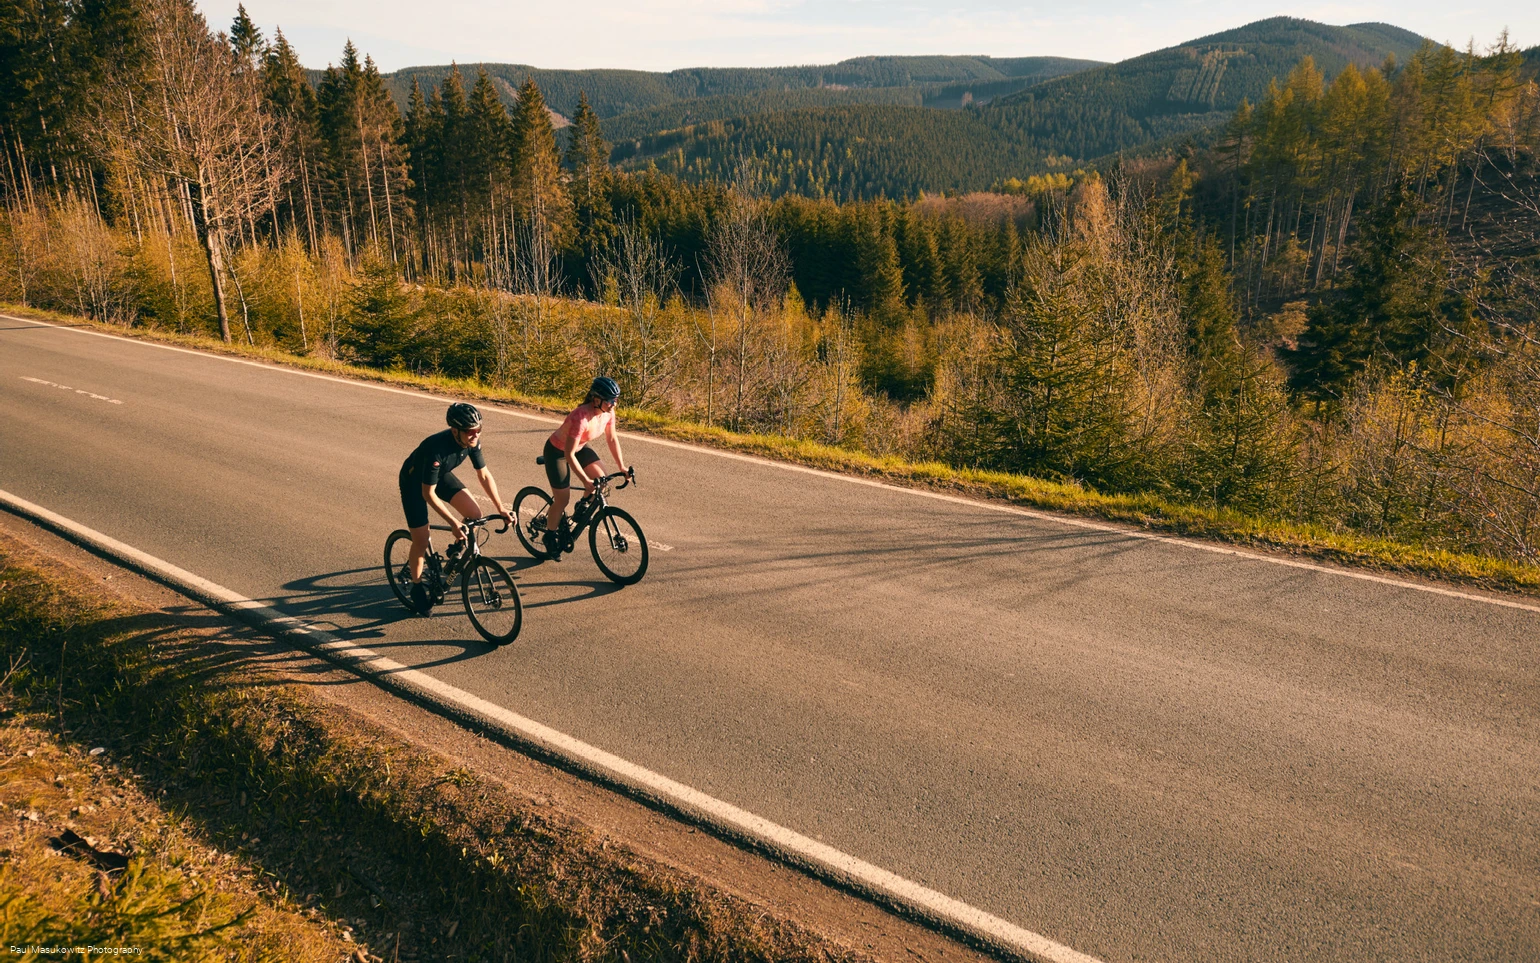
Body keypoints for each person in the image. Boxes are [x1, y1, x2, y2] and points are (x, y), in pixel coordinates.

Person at [398, 402, 510, 613]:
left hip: (439, 477)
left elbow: (484, 474)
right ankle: (416, 586)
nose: (475, 435)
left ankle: (457, 550)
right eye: (469, 431)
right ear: (455, 430)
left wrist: (501, 508)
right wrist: (453, 523)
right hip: (415, 484)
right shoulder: (436, 450)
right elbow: (428, 494)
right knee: (421, 540)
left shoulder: (472, 441)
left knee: (474, 514)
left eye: (478, 430)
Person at [542, 376, 630, 560]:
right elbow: (568, 454)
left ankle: (582, 505)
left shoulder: (608, 413)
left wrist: (621, 466)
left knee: (602, 481)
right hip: (558, 452)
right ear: (596, 400)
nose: (613, 405)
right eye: (610, 401)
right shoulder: (580, 417)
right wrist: (585, 481)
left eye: (616, 400)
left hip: (580, 448)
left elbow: (612, 439)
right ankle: (550, 536)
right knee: (562, 499)